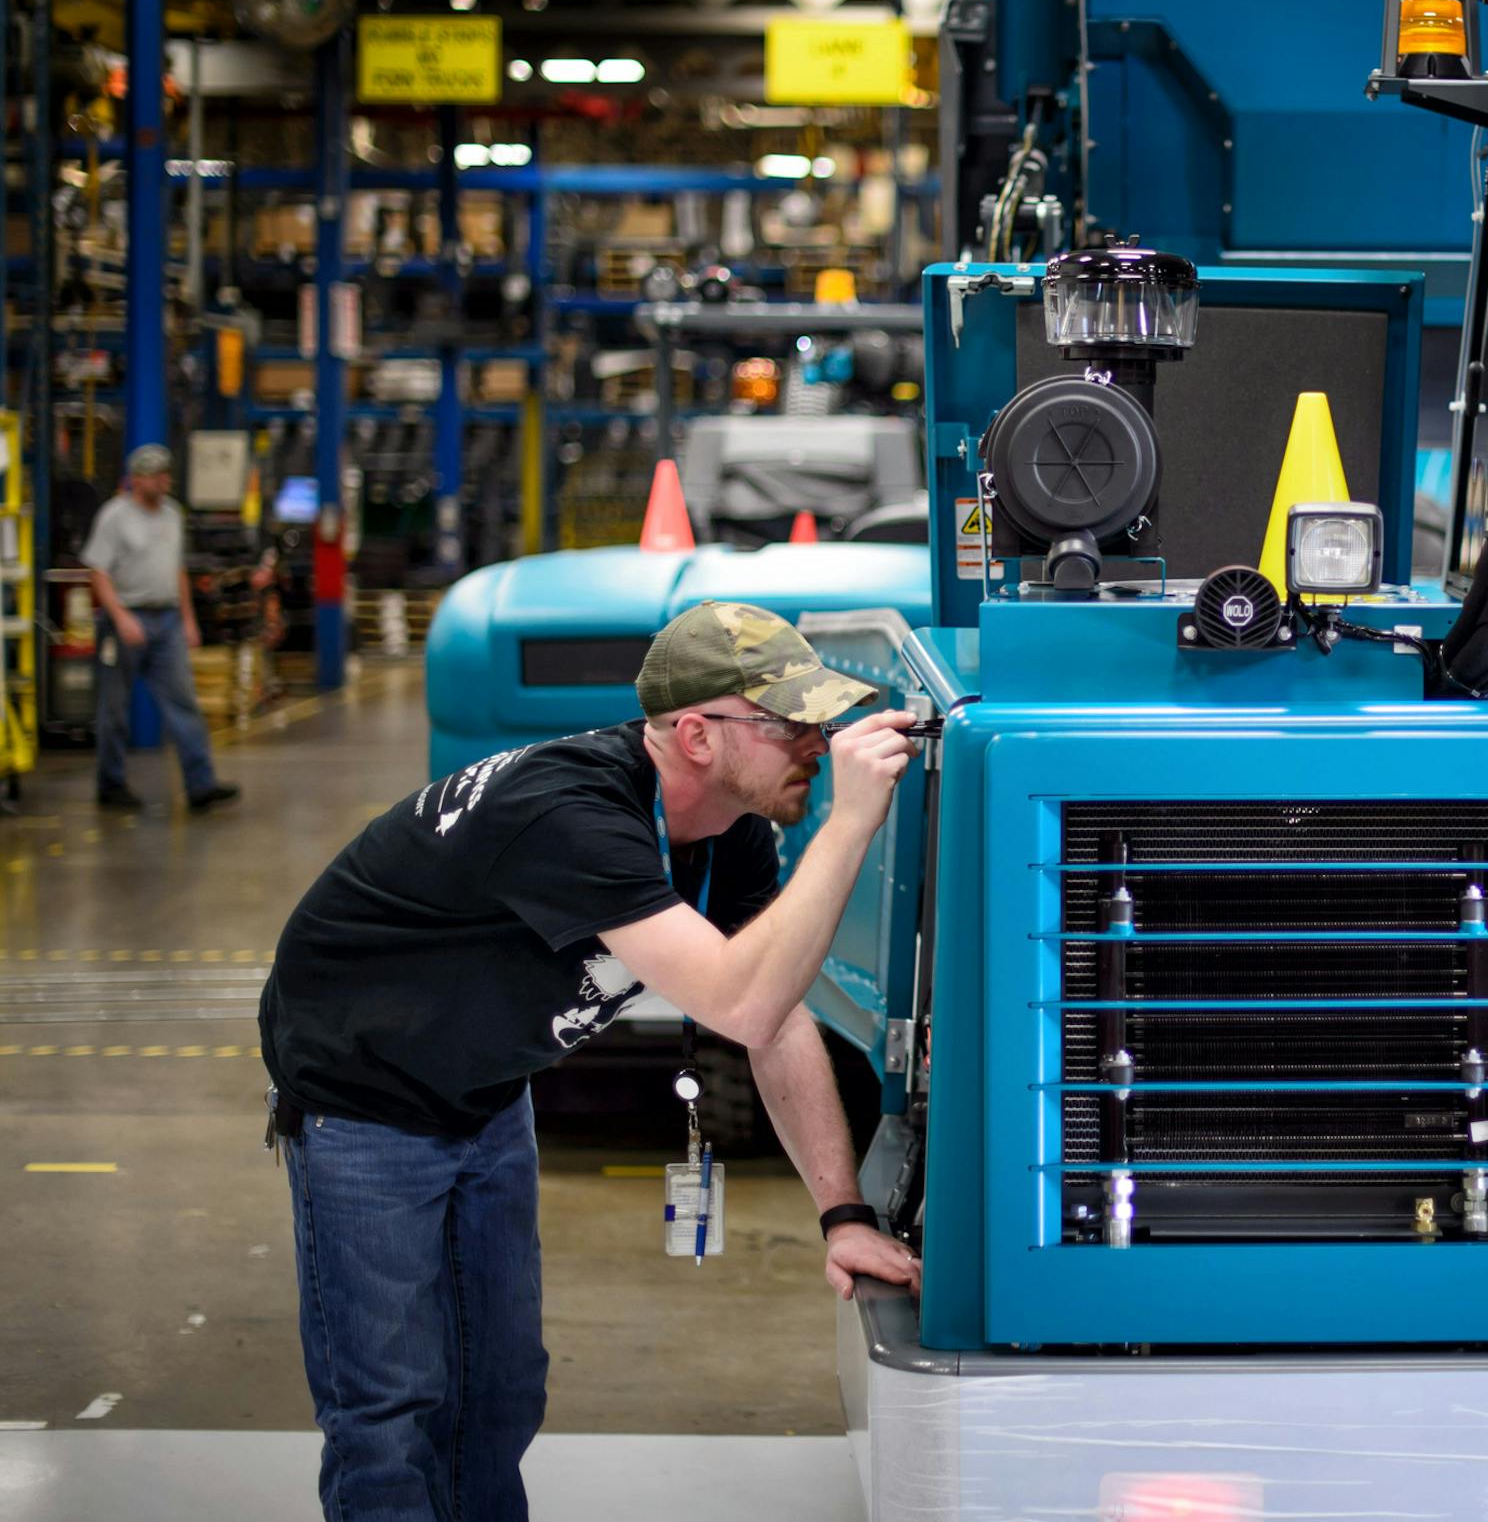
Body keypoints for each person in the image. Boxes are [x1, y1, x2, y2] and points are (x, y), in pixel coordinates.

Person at [258, 601, 923, 1521]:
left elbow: (775, 1022)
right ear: (697, 735)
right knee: (389, 1410)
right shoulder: (571, 814)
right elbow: (739, 999)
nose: (817, 743)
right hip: (364, 1098)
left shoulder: (729, 830)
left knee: (499, 1388)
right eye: (790, 723)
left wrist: (842, 1214)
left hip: (486, 1089)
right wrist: (850, 824)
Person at [81, 442, 239, 812]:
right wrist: (121, 617)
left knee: (184, 703)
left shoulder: (172, 514)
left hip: (167, 620)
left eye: (166, 474)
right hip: (126, 620)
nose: (163, 480)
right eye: (156, 475)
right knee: (114, 708)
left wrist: (188, 619)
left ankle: (201, 785)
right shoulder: (114, 516)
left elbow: (177, 570)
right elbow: (98, 573)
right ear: (137, 478)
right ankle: (110, 784)